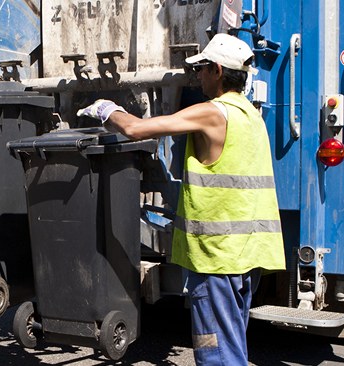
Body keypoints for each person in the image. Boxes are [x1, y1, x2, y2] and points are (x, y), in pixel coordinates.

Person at [77, 33, 286, 365]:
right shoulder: (251, 116)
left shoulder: (213, 113)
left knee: (216, 352)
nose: (197, 76)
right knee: (232, 343)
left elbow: (135, 129)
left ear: (218, 70)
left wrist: (108, 110)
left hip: (217, 257)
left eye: (202, 68)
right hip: (248, 255)